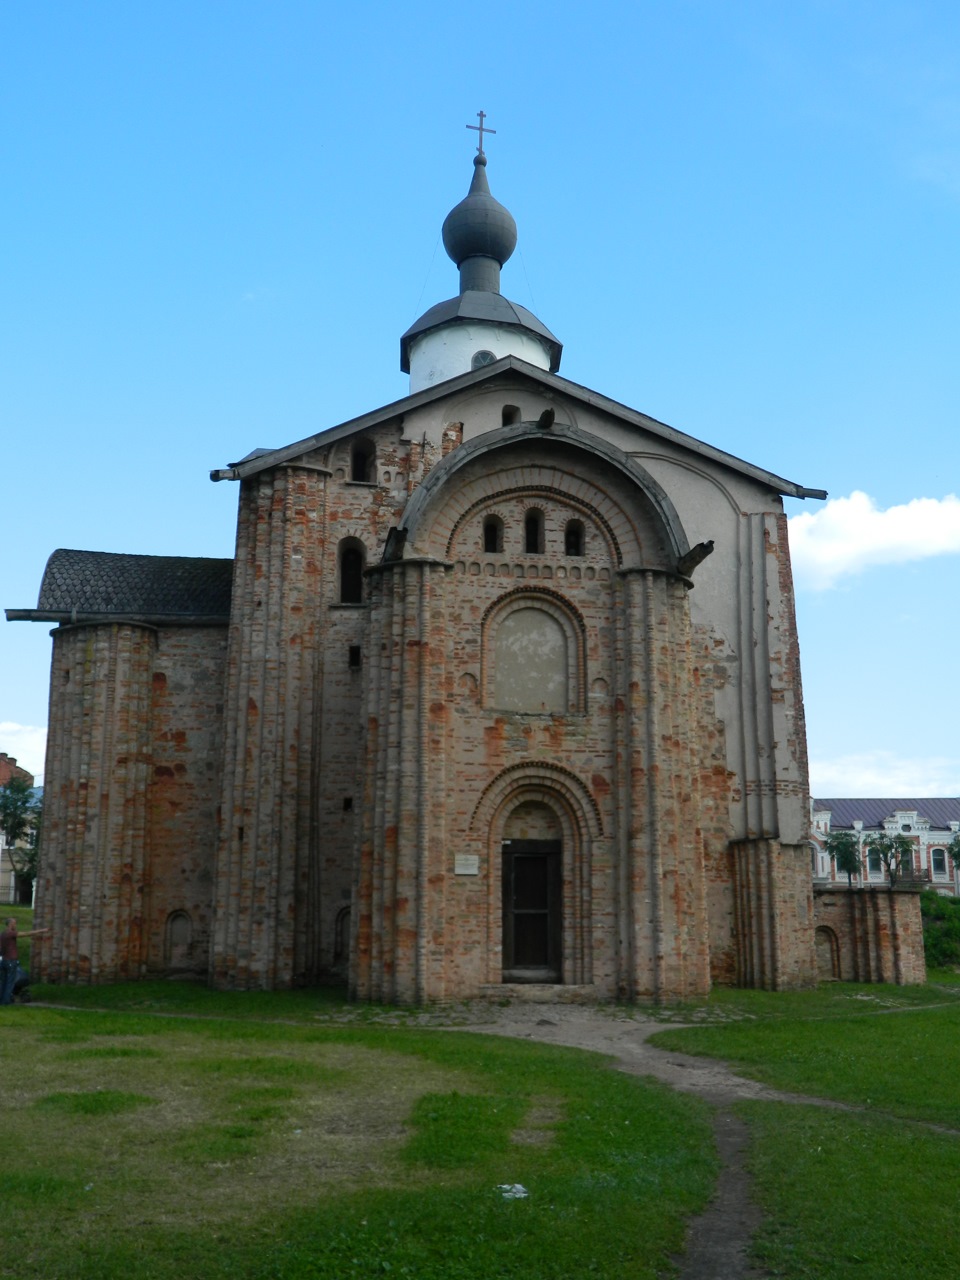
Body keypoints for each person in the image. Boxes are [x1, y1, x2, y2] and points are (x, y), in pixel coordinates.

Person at [0, 917, 48, 1005]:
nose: (15, 925)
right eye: (14, 923)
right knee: (10, 982)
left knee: (3, 982)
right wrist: (42, 931)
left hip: (4, 961)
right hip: (11, 961)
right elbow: (26, 934)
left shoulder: (2, 934)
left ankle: (1, 1000)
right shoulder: (11, 934)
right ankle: (6, 1001)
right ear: (10, 924)